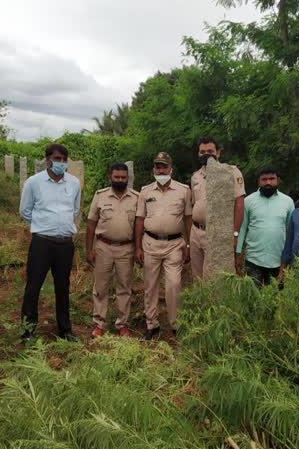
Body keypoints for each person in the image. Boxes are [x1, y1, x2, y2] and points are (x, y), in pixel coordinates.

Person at [20, 143, 81, 341]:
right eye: (57, 159)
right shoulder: (34, 182)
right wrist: (42, 225)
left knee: (63, 287)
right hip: (42, 243)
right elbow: (25, 211)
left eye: (64, 160)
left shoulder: (74, 183)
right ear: (48, 160)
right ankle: (28, 330)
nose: (61, 163)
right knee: (33, 286)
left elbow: (75, 210)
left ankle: (65, 330)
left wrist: (61, 225)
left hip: (65, 243)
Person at [135, 152, 192, 340]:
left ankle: (176, 325)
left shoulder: (183, 190)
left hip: (174, 244)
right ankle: (152, 324)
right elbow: (139, 219)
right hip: (150, 243)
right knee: (150, 286)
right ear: (154, 169)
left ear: (171, 169)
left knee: (173, 285)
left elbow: (188, 218)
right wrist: (138, 247)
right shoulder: (145, 191)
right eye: (157, 166)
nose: (161, 170)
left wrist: (189, 244)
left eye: (164, 167)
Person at [86, 163, 138, 338]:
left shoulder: (136, 197)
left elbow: (140, 226)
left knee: (124, 287)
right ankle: (99, 324)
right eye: (117, 177)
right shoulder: (100, 196)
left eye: (123, 177)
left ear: (127, 178)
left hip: (126, 249)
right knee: (101, 287)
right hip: (103, 247)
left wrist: (139, 249)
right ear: (110, 177)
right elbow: (91, 224)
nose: (120, 180)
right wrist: (88, 250)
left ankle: (122, 324)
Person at [189, 136, 245, 278]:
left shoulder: (230, 172)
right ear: (198, 154)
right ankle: (201, 301)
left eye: (210, 151)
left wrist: (235, 234)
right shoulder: (195, 176)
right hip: (196, 232)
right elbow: (195, 203)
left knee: (215, 277)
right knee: (197, 276)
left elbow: (239, 205)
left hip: (217, 234)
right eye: (202, 152)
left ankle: (214, 301)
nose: (206, 154)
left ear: (218, 153)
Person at [236, 167, 295, 286]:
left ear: (277, 180)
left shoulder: (288, 201)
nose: (268, 182)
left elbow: (292, 232)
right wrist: (237, 253)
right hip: (253, 259)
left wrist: (290, 257)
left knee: (275, 298)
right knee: (253, 297)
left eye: (271, 179)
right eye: (264, 179)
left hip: (279, 260)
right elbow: (242, 229)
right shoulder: (248, 201)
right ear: (258, 181)